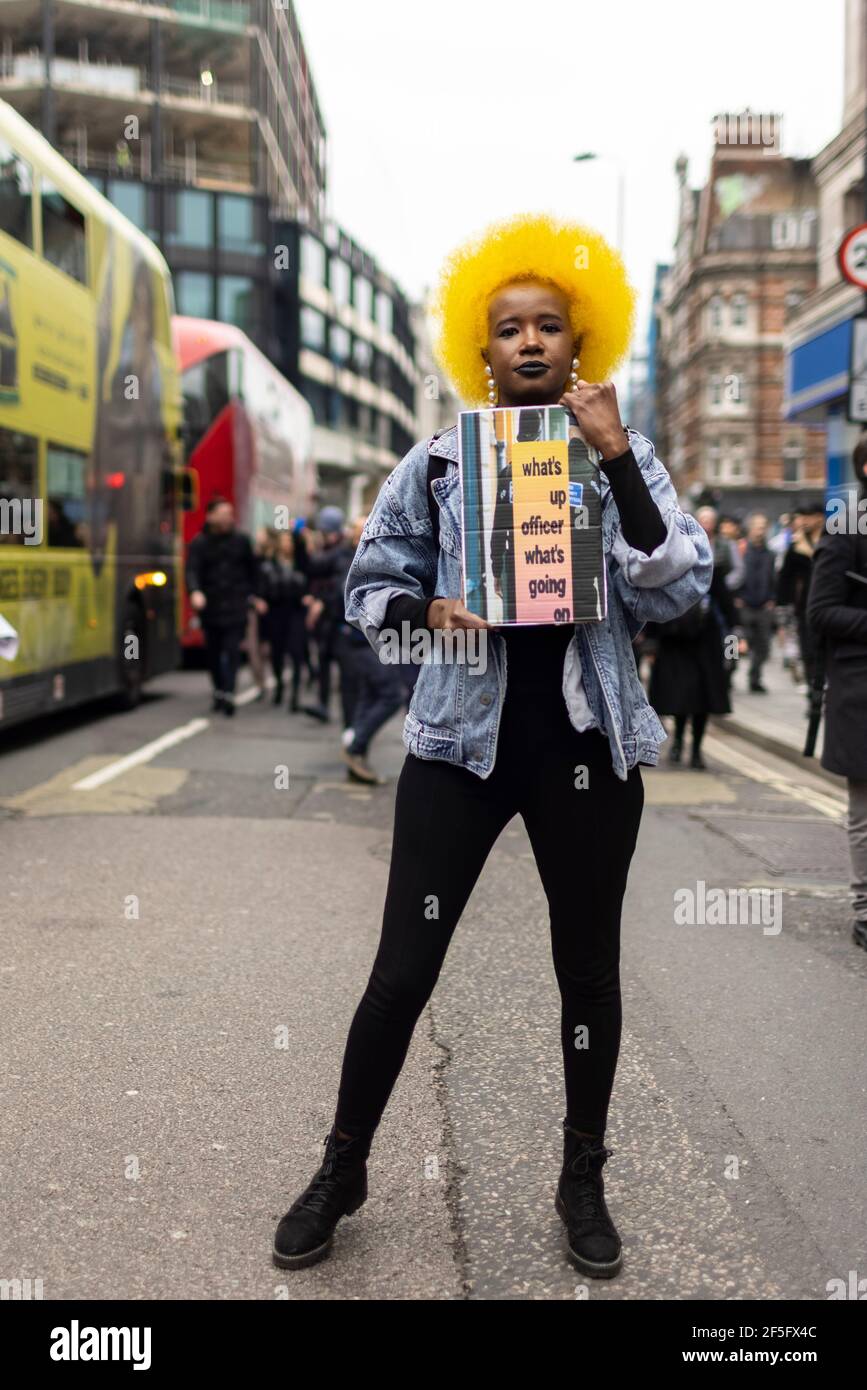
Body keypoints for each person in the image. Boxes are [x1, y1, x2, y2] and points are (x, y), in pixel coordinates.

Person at [272, 212, 712, 1278]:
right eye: (509, 327)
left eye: (548, 327)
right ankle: (343, 1165)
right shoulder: (435, 461)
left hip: (584, 746)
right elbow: (364, 593)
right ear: (482, 348)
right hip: (458, 749)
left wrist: (614, 456)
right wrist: (430, 610)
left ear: (577, 346)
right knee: (401, 973)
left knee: (588, 975)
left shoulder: (627, 456)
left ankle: (581, 1176)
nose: (528, 342)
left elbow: (686, 588)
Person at [807, 438, 867, 952]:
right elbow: (820, 611)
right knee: (865, 812)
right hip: (860, 689)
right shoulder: (845, 527)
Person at [642, 506, 738, 769]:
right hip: (674, 642)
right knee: (680, 699)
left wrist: (734, 640)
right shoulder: (666, 567)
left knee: (701, 701)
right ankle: (677, 744)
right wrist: (651, 640)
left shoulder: (712, 569)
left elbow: (727, 608)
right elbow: (652, 603)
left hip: (704, 644)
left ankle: (695, 749)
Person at [186, 496, 265, 715]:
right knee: (212, 653)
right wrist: (195, 592)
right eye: (222, 514)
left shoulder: (241, 541)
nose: (227, 519)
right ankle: (219, 690)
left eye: (229, 514)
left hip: (236, 606)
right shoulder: (199, 543)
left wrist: (255, 596)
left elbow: (254, 571)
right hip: (211, 607)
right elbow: (191, 570)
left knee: (232, 651)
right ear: (210, 516)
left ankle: (229, 692)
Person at [295, 506, 356, 723]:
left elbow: (341, 586)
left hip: (342, 620)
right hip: (330, 619)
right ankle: (324, 704)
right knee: (323, 660)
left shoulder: (345, 553)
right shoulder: (332, 552)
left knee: (346, 670)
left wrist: (322, 601)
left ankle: (350, 718)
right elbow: (311, 568)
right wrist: (299, 543)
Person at [776, 504, 826, 697]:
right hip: (804, 606)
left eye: (809, 517)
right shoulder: (795, 547)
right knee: (808, 650)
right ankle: (814, 694)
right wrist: (782, 605)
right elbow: (785, 578)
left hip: (829, 604)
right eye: (802, 517)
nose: (804, 521)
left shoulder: (831, 541)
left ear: (820, 518)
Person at [260, 529, 308, 711]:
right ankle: (279, 684)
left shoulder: (302, 564)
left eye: (290, 541)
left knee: (296, 653)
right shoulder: (269, 565)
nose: (287, 544)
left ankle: (295, 695)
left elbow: (310, 584)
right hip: (276, 612)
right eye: (283, 541)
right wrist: (260, 601)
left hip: (296, 611)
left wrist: (309, 596)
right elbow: (262, 587)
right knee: (277, 652)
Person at [735, 512, 777, 693]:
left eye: (763, 527)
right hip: (743, 604)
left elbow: (775, 578)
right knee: (735, 643)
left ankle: (755, 678)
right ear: (750, 528)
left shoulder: (771, 554)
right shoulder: (740, 550)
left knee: (763, 646)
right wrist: (735, 597)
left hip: (763, 606)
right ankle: (728, 673)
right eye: (757, 526)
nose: (760, 531)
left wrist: (773, 598)